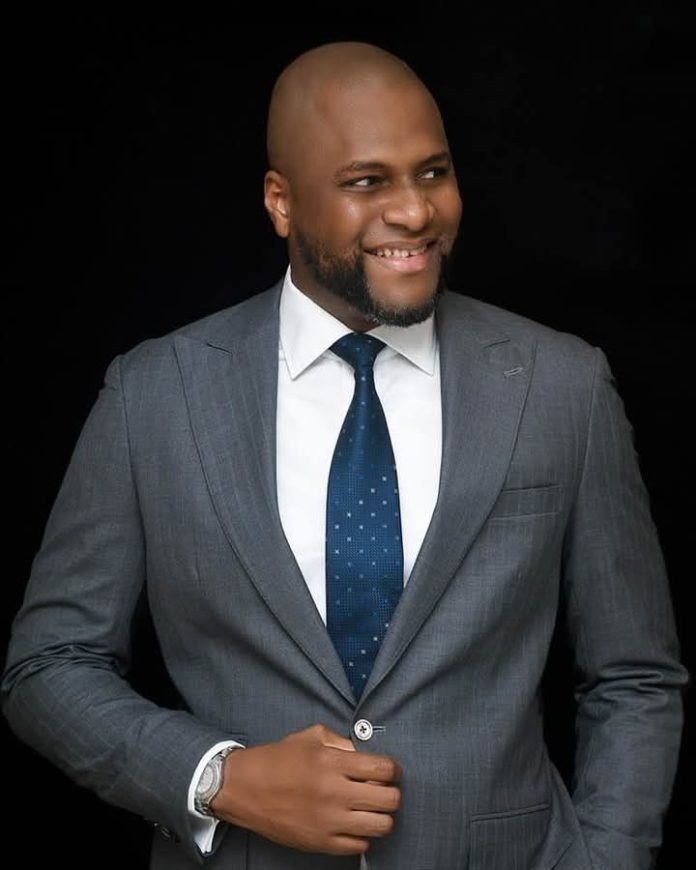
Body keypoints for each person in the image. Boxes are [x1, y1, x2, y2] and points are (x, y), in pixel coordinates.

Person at [2, 40, 688, 870]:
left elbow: (634, 677)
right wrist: (219, 779)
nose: (416, 212)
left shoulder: (562, 385)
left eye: (433, 173)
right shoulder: (153, 394)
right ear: (281, 202)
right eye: (367, 182)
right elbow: (50, 666)